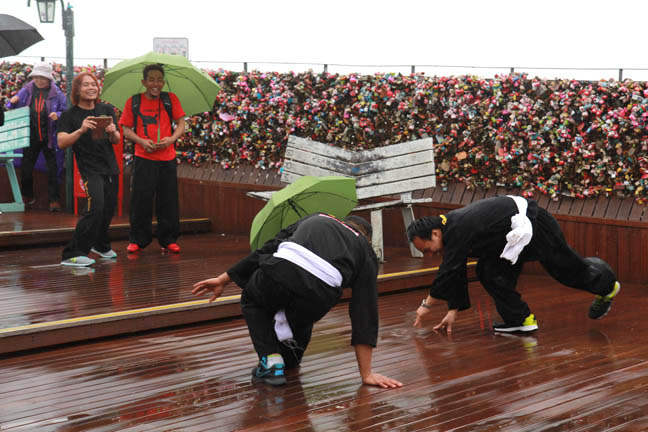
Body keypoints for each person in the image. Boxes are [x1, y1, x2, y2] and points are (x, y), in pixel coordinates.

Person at [192, 213, 403, 389]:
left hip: (280, 271)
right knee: (303, 315)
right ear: (365, 237)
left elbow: (269, 247)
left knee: (253, 299)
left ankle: (271, 361)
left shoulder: (317, 217)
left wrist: (224, 279)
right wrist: (366, 374)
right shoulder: (364, 250)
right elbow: (364, 311)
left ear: (343, 222)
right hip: (320, 293)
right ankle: (287, 359)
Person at [408, 195, 621, 333]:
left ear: (435, 233)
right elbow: (455, 270)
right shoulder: (452, 229)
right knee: (488, 271)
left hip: (536, 226)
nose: (429, 254)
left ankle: (607, 285)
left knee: (567, 270)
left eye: (427, 248)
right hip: (508, 239)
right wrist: (453, 310)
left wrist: (426, 306)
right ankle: (521, 320)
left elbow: (450, 270)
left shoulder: (456, 229)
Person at [119, 64, 186, 254]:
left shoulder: (170, 99)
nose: (155, 83)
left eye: (159, 79)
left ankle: (168, 239)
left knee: (168, 200)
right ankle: (138, 240)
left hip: (167, 157)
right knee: (141, 200)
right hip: (143, 157)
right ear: (144, 82)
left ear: (163, 82)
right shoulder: (134, 101)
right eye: (151, 79)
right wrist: (142, 141)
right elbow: (126, 129)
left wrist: (171, 139)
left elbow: (181, 124)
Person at [57, 72, 121, 267]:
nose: (91, 87)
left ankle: (100, 245)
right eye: (86, 85)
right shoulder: (70, 115)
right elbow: (61, 143)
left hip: (110, 167)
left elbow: (116, 140)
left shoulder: (106, 109)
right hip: (89, 169)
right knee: (96, 207)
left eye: (93, 84)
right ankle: (73, 253)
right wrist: (81, 129)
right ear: (77, 90)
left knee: (108, 209)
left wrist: (113, 132)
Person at [7, 62, 67, 211]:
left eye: (42, 78)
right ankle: (27, 196)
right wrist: (12, 102)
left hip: (50, 138)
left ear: (49, 79)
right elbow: (11, 107)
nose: (39, 81)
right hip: (30, 137)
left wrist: (57, 115)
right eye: (36, 77)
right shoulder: (26, 90)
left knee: (53, 170)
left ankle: (54, 200)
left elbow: (65, 111)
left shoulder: (57, 93)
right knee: (26, 169)